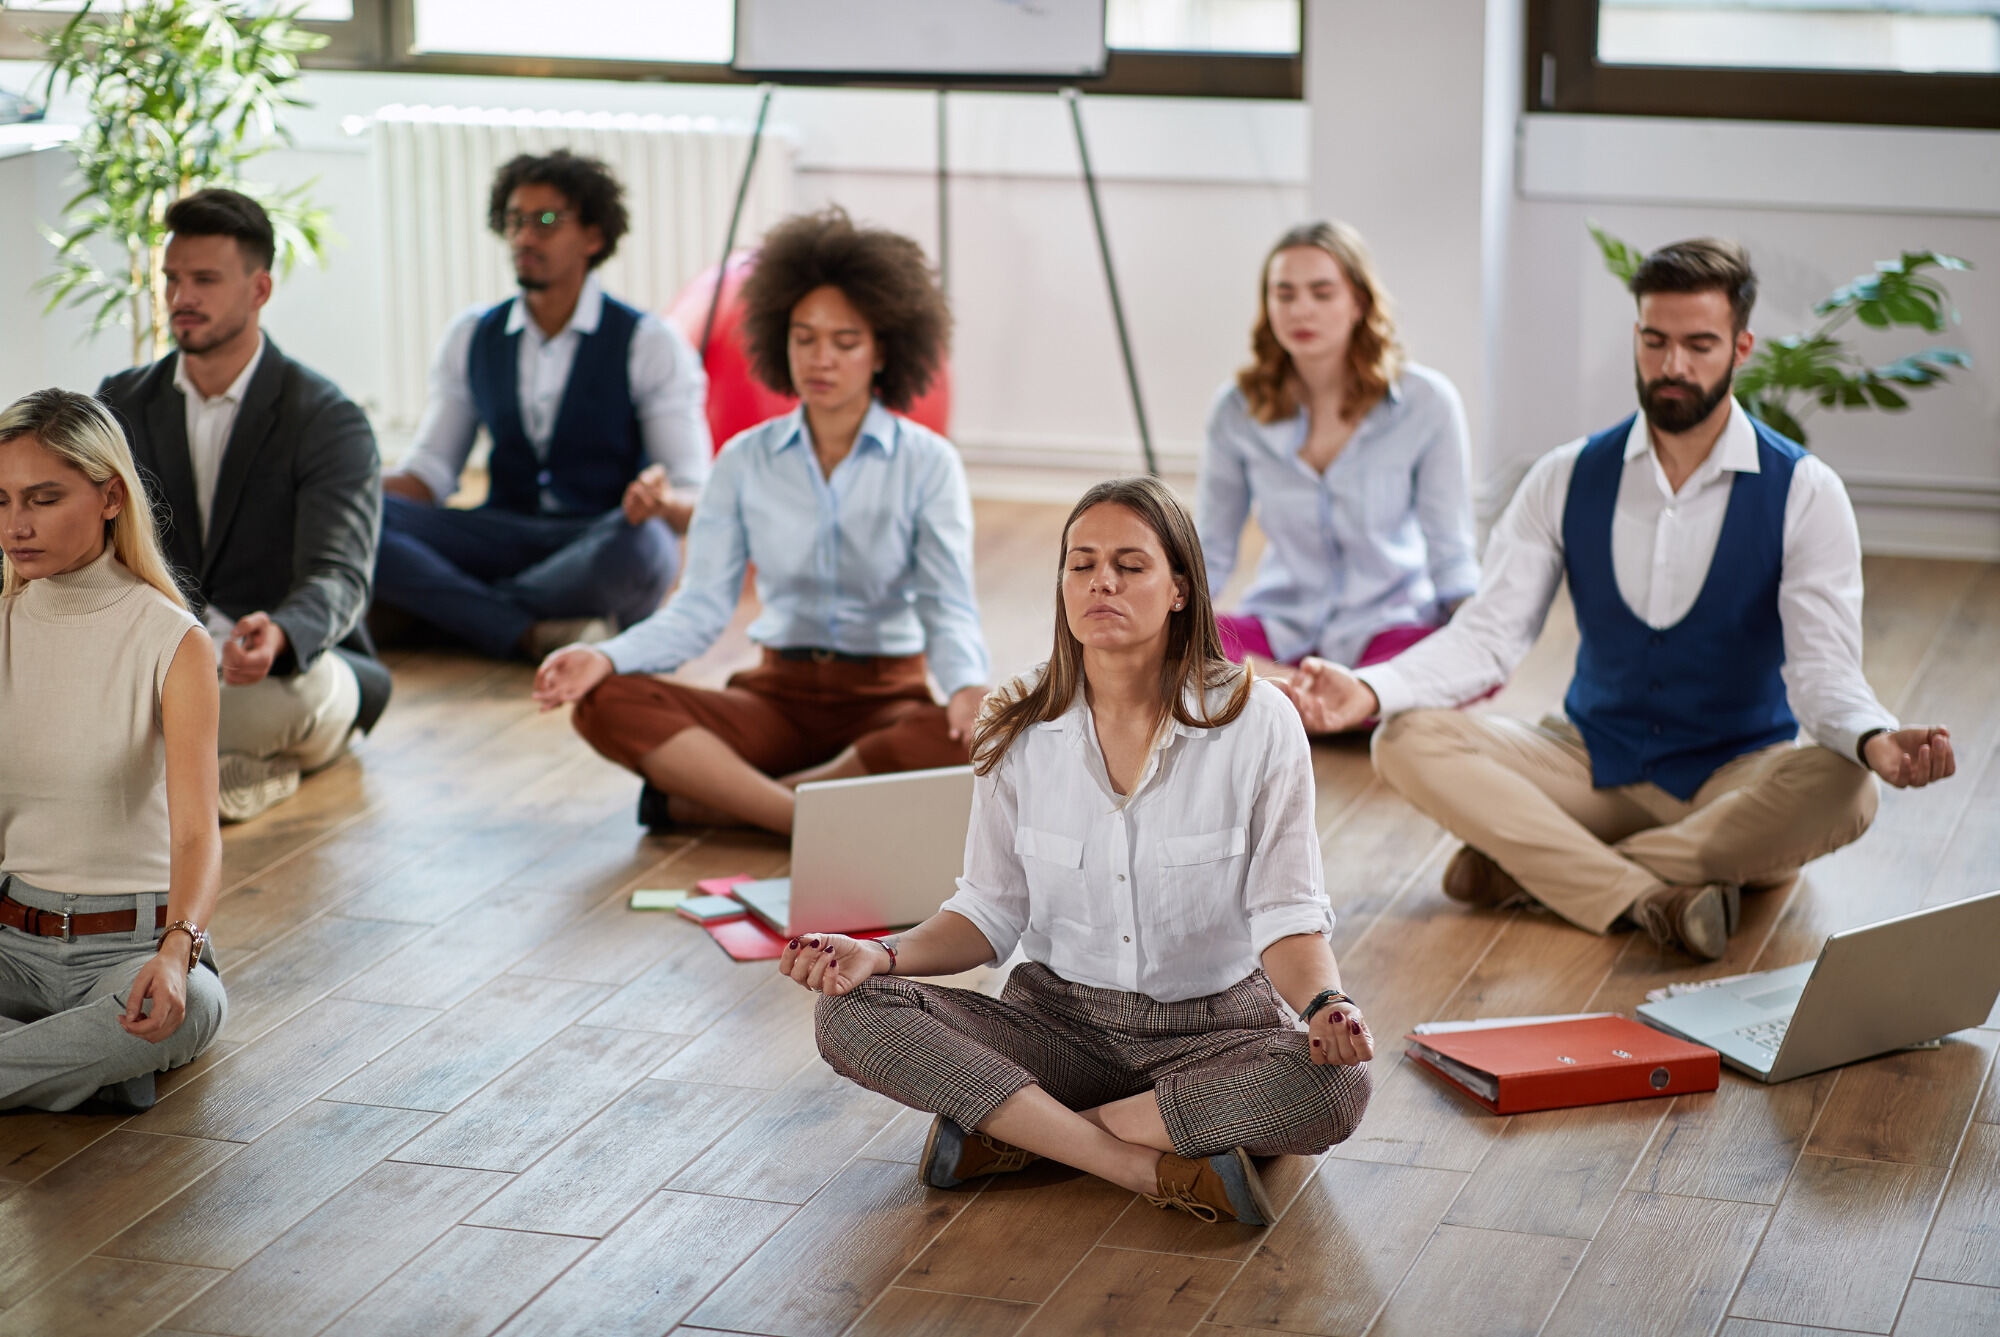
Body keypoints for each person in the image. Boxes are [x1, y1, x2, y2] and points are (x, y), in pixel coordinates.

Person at [1282, 238, 1955, 962]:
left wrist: (1874, 737)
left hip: (1734, 779)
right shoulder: (1566, 475)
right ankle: (1650, 890)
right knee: (1405, 739)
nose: (1673, 366)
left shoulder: (1806, 491)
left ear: (1742, 346)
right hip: (1588, 760)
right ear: (1636, 337)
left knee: (1848, 786)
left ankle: (1537, 871)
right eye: (1655, 341)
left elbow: (1823, 671)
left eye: (1699, 344)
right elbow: (1487, 636)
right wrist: (1368, 688)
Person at [779, 477, 1373, 1226]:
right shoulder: (1014, 719)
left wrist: (1326, 1004)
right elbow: (987, 912)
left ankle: (1023, 1132)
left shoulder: (1259, 721)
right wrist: (881, 954)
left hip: (1216, 1032)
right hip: (1054, 1028)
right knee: (848, 1010)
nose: (1101, 581)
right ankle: (1137, 1162)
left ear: (1180, 588)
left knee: (1336, 1086)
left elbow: (1286, 913)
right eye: (1081, 562)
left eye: (1130, 564)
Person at [534, 207, 992, 837]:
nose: (820, 359)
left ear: (884, 348)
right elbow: (699, 611)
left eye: (845, 341)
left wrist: (967, 686)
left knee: (986, 738)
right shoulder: (744, 459)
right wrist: (606, 656)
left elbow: (948, 604)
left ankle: (719, 804)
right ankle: (802, 818)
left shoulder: (928, 462)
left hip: (886, 707)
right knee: (605, 701)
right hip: (774, 700)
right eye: (804, 337)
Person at [98, 188, 389, 823]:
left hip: (289, 670)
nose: (181, 298)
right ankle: (232, 780)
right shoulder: (121, 402)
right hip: (161, 665)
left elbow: (339, 575)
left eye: (205, 279)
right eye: (172, 278)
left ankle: (171, 785)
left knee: (164, 729)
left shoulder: (328, 419)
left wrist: (283, 634)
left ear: (260, 290)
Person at [375, 149, 711, 660]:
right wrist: (347, 484)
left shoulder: (648, 342)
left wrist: (661, 501)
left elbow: (693, 497)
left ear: (594, 237)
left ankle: (448, 614)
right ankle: (528, 630)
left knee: (643, 550)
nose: (525, 238)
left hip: (598, 536)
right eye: (514, 222)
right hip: (500, 533)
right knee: (361, 521)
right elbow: (430, 476)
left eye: (546, 222)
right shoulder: (473, 335)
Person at [0, 389, 226, 1112]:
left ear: (110, 496)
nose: (15, 525)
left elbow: (197, 831)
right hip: (10, 941)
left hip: (134, 950)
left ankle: (74, 1062)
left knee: (186, 1005)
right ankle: (76, 1069)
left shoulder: (173, 641)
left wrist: (175, 951)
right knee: (114, 1045)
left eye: (41, 498)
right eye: (0, 501)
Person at [1198, 221, 1480, 695]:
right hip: (1279, 628)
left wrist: (1475, 637)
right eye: (1283, 294)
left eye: (1322, 293)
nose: (1300, 309)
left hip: (1388, 630)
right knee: (1170, 647)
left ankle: (1294, 699)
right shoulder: (1236, 409)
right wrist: (1165, 623)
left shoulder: (1427, 403)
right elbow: (1210, 549)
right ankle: (1323, 698)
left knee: (1465, 660)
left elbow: (1451, 553)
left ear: (1359, 303)